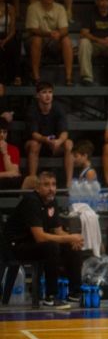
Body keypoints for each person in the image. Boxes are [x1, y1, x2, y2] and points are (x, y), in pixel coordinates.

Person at [4, 171, 83, 309]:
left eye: (53, 184)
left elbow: (58, 231)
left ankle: (75, 293)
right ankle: (51, 296)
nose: (51, 188)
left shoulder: (52, 201)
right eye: (46, 185)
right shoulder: (31, 201)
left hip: (34, 243)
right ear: (37, 187)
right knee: (52, 247)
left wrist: (73, 240)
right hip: (15, 246)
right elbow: (40, 237)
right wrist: (70, 237)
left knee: (71, 246)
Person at [24, 81, 73, 182]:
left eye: (50, 92)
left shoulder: (58, 108)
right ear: (37, 95)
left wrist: (58, 141)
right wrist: (45, 139)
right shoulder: (32, 109)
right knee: (35, 144)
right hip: (37, 144)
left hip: (53, 144)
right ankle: (32, 180)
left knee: (68, 143)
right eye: (44, 92)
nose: (48, 95)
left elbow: (64, 132)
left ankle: (69, 183)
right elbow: (34, 134)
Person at [26, 0, 73, 85]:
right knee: (37, 39)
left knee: (66, 40)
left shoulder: (60, 8)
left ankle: (69, 77)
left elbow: (65, 29)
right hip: (36, 40)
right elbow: (32, 29)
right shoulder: (32, 8)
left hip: (54, 40)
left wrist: (59, 34)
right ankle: (36, 77)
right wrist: (49, 34)